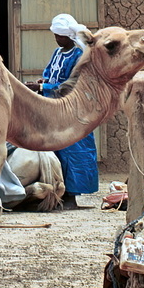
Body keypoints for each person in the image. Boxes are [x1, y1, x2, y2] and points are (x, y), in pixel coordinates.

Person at [25, 13, 99, 209]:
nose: (56, 38)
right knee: (55, 150)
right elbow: (50, 72)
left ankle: (71, 197)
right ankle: (57, 192)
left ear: (67, 37)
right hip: (54, 108)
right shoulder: (58, 53)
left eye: (59, 35)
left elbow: (70, 84)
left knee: (72, 152)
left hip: (71, 109)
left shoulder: (78, 57)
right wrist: (44, 81)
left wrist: (42, 89)